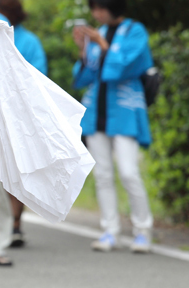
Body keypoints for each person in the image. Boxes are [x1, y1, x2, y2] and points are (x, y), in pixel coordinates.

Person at [73, 0, 154, 253]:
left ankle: (143, 231)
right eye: (93, 8)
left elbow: (126, 67)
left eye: (100, 7)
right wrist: (84, 51)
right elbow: (83, 77)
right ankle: (110, 231)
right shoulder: (97, 34)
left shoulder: (135, 31)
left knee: (129, 172)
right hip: (97, 112)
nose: (96, 13)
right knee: (103, 174)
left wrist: (103, 46)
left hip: (124, 112)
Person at [0, 0, 48, 248]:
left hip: (17, 114)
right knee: (3, 172)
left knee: (14, 173)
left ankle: (14, 224)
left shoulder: (28, 41)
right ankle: (7, 225)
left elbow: (38, 78)